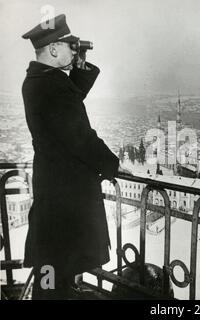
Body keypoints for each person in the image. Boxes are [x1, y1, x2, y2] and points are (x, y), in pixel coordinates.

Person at [21, 14, 120, 299]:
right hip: (65, 200)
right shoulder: (52, 87)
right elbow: (81, 137)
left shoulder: (38, 80)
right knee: (57, 277)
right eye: (69, 46)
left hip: (53, 195)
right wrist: (113, 164)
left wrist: (78, 63)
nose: (74, 50)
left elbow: (71, 98)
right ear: (53, 49)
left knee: (52, 272)